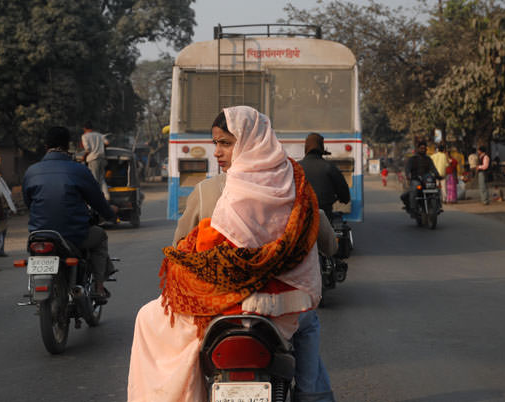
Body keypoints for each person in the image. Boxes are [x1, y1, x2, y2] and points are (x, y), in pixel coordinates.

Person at [128, 106, 329, 402]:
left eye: (226, 143)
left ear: (248, 143)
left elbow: (206, 249)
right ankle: (313, 396)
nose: (218, 153)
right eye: (216, 144)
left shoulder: (223, 189)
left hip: (228, 302)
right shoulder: (295, 184)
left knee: (149, 317)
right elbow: (317, 234)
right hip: (283, 306)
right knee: (308, 323)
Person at [23, 126, 116, 298]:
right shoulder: (78, 170)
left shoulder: (31, 171)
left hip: (38, 235)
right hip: (73, 235)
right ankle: (99, 286)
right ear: (68, 146)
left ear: (45, 146)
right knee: (100, 236)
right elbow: (97, 199)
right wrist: (110, 214)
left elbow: (28, 202)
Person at [299, 132, 350, 222]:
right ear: (321, 147)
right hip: (325, 217)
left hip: (300, 219)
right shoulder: (330, 167)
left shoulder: (296, 167)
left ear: (306, 148)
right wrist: (343, 199)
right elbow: (345, 195)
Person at [401, 141, 440, 213]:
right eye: (421, 148)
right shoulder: (413, 159)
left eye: (424, 148)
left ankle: (438, 206)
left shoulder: (428, 159)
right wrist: (408, 175)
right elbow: (407, 168)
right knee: (415, 188)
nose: (423, 150)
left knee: (437, 190)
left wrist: (438, 175)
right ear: (418, 149)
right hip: (416, 179)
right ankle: (413, 208)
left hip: (426, 180)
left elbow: (433, 168)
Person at [81, 121, 110, 200]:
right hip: (102, 158)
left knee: (95, 179)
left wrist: (84, 157)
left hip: (93, 159)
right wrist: (100, 147)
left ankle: (96, 199)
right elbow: (107, 143)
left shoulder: (85, 136)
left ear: (84, 128)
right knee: (101, 178)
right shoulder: (100, 135)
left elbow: (88, 149)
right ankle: (107, 196)